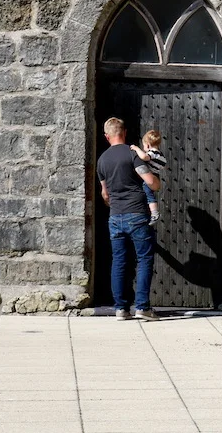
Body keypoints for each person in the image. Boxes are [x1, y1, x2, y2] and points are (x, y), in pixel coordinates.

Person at [97, 117, 161, 321]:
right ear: (124, 133)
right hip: (137, 214)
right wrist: (157, 182)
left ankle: (121, 309)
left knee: (119, 261)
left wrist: (114, 204)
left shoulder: (102, 160)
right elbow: (151, 182)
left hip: (115, 216)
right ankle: (142, 307)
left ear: (107, 137)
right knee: (144, 259)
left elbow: (104, 194)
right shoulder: (132, 153)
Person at [130, 130, 167, 227]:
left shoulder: (153, 153)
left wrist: (136, 149)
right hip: (155, 176)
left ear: (147, 145)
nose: (143, 148)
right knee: (148, 195)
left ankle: (154, 213)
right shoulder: (160, 154)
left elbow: (144, 156)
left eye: (143, 146)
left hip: (150, 177)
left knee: (149, 195)